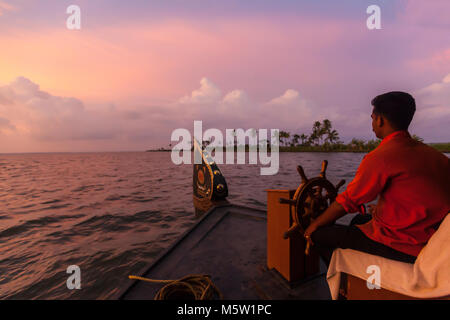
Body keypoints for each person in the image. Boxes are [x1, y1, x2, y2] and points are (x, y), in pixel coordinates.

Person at [304, 91, 450, 267]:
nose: (372, 123)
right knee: (358, 220)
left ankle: (343, 284)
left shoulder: (381, 157)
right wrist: (382, 209)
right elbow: (420, 196)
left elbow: (348, 202)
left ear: (380, 120)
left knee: (318, 235)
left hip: (406, 246)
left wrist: (315, 225)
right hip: (434, 241)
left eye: (372, 118)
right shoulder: (438, 157)